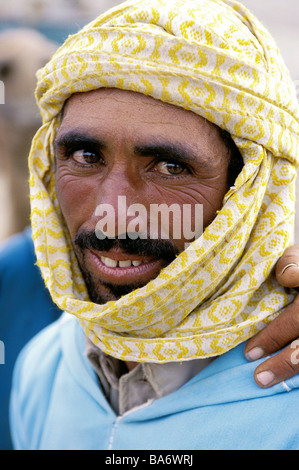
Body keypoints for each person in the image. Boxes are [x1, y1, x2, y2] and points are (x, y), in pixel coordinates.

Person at [9, 0, 299, 450]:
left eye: (168, 166)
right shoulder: (43, 369)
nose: (113, 212)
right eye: (86, 157)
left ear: (248, 191)